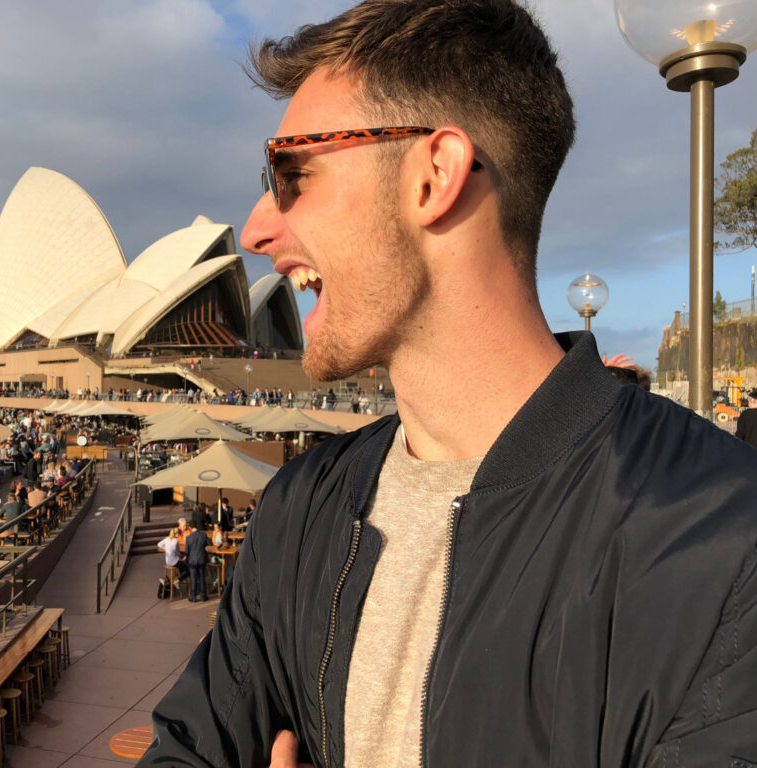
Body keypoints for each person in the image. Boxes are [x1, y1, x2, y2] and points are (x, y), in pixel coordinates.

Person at [140, 2, 757, 766]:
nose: (259, 228)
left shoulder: (726, 547)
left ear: (435, 176)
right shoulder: (301, 509)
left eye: (291, 171)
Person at [183, 523, 209, 603]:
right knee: (202, 578)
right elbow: (209, 544)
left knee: (193, 578)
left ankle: (193, 597)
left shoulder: (188, 538)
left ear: (190, 527)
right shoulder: (203, 535)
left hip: (192, 560)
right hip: (202, 559)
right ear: (196, 526)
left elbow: (186, 551)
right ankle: (203, 596)